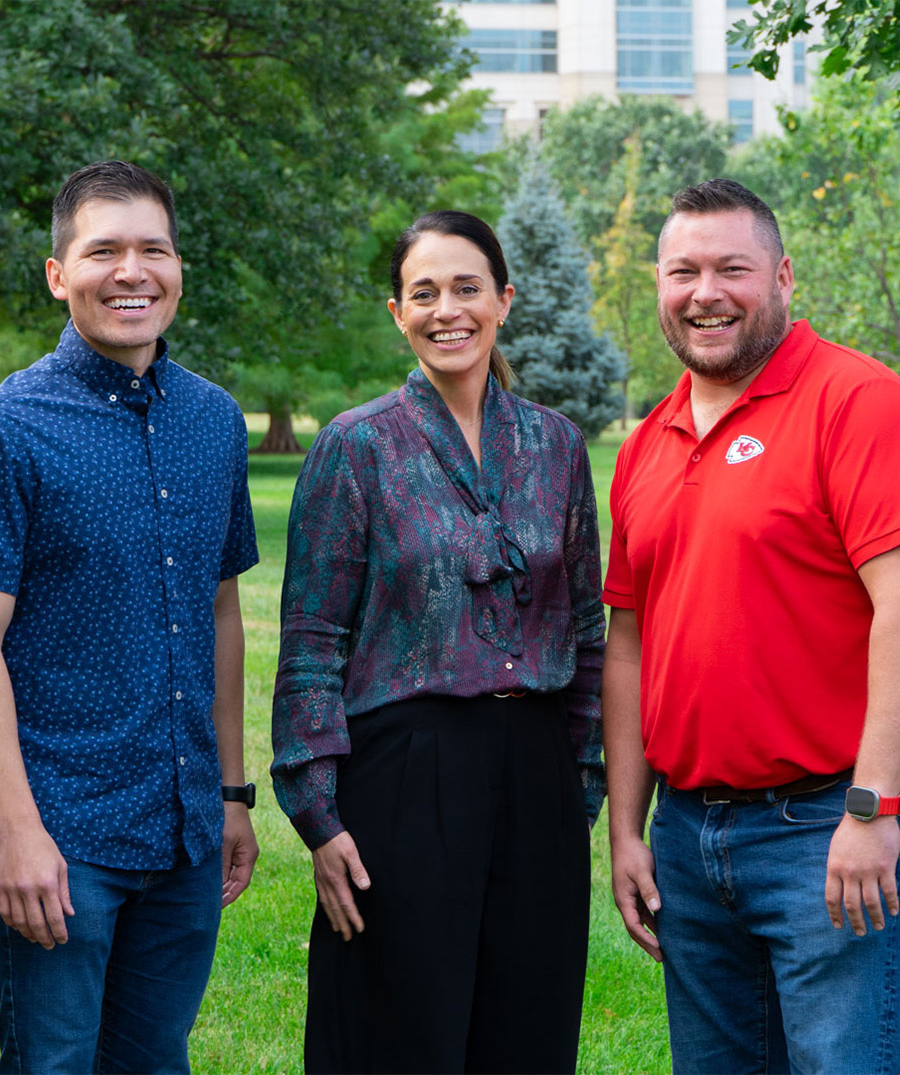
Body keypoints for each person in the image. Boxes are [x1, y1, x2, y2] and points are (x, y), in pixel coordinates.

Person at [601, 178, 900, 1074]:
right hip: (687, 832)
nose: (705, 292)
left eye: (733, 268)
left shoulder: (861, 405)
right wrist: (628, 830)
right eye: (683, 271)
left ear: (785, 277)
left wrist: (875, 806)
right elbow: (630, 644)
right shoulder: (650, 441)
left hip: (827, 826)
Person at [0, 160, 257, 1074]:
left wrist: (232, 792)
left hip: (185, 827)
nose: (131, 271)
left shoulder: (213, 421)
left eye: (153, 249)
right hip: (60, 834)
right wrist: (20, 830)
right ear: (57, 272)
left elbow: (220, 611)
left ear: (180, 266)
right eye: (102, 250)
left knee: (156, 1060)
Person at [270, 209, 605, 1074]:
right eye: (424, 293)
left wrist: (581, 787)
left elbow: (586, 631)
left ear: (504, 301)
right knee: (398, 1035)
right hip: (402, 778)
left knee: (525, 1033)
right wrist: (319, 813)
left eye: (466, 288)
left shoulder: (558, 447)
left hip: (536, 778)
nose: (446, 309)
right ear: (398, 312)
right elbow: (310, 639)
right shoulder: (357, 446)